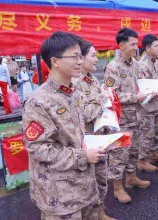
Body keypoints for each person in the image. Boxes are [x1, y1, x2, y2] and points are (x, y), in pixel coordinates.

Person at [22, 31, 105, 219]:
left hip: (86, 188)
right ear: (55, 61)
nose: (80, 61)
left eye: (81, 56)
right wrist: (83, 156)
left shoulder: (74, 92)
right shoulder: (38, 101)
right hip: (61, 198)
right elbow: (38, 149)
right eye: (74, 56)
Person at [104, 28, 149, 204]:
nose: (135, 47)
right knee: (119, 154)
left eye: (136, 44)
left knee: (134, 150)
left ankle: (131, 178)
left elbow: (140, 85)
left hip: (137, 117)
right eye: (132, 44)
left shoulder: (135, 64)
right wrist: (134, 97)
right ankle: (117, 188)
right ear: (121, 46)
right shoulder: (113, 67)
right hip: (122, 121)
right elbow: (111, 95)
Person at [72, 40, 114, 220]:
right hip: (85, 144)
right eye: (93, 55)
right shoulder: (75, 83)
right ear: (80, 58)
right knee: (87, 185)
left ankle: (100, 212)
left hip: (99, 138)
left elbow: (100, 107)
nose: (97, 59)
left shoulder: (93, 79)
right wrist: (102, 98)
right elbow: (86, 113)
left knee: (101, 181)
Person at [137, 34, 158, 173]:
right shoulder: (142, 65)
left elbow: (157, 80)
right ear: (148, 48)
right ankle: (142, 160)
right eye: (156, 46)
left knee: (155, 130)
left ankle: (153, 154)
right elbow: (144, 87)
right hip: (146, 105)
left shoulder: (155, 61)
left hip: (156, 102)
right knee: (146, 134)